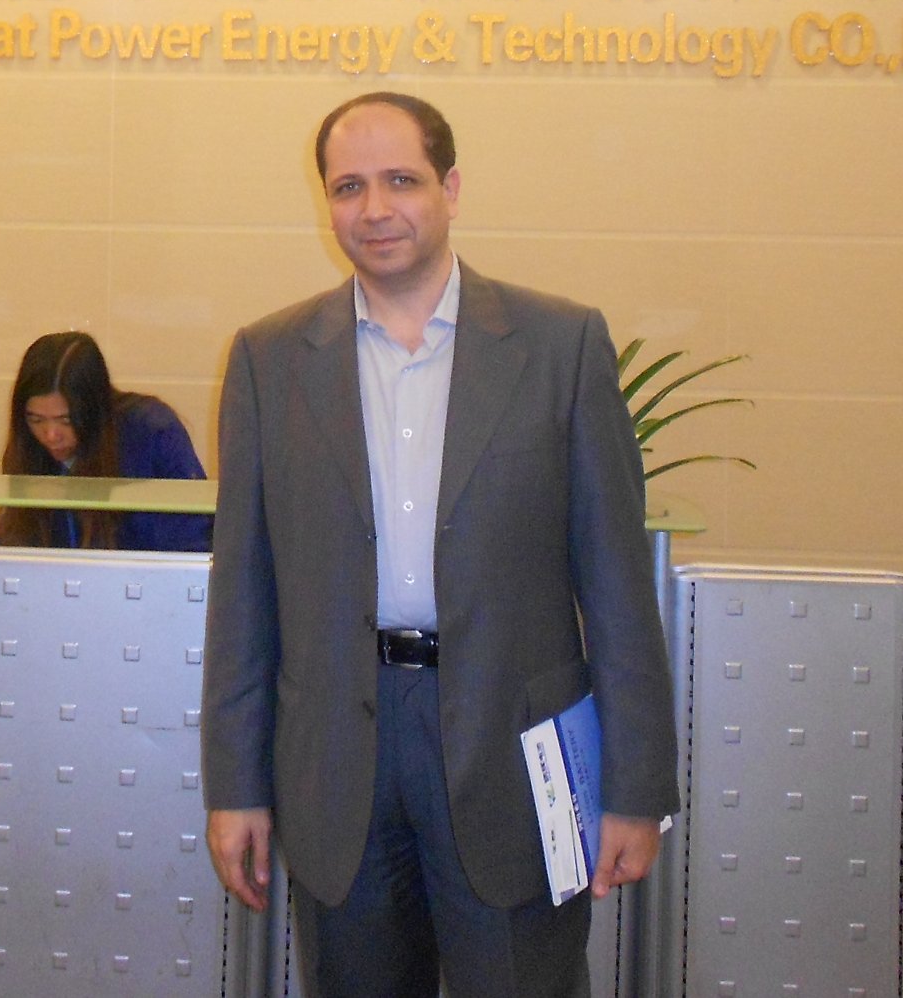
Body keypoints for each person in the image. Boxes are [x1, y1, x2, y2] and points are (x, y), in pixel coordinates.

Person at [201, 93, 678, 998]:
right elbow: (245, 595)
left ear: (450, 189)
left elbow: (617, 585)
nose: (375, 208)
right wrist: (236, 785)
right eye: (348, 187)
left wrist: (637, 787)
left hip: (512, 747)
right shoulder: (270, 360)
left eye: (401, 180)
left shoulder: (560, 346)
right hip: (339, 755)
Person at [0, 331, 212, 553]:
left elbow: (194, 538)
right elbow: (12, 541)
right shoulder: (28, 449)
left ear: (95, 409)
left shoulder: (150, 433)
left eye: (66, 420)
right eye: (36, 419)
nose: (50, 435)